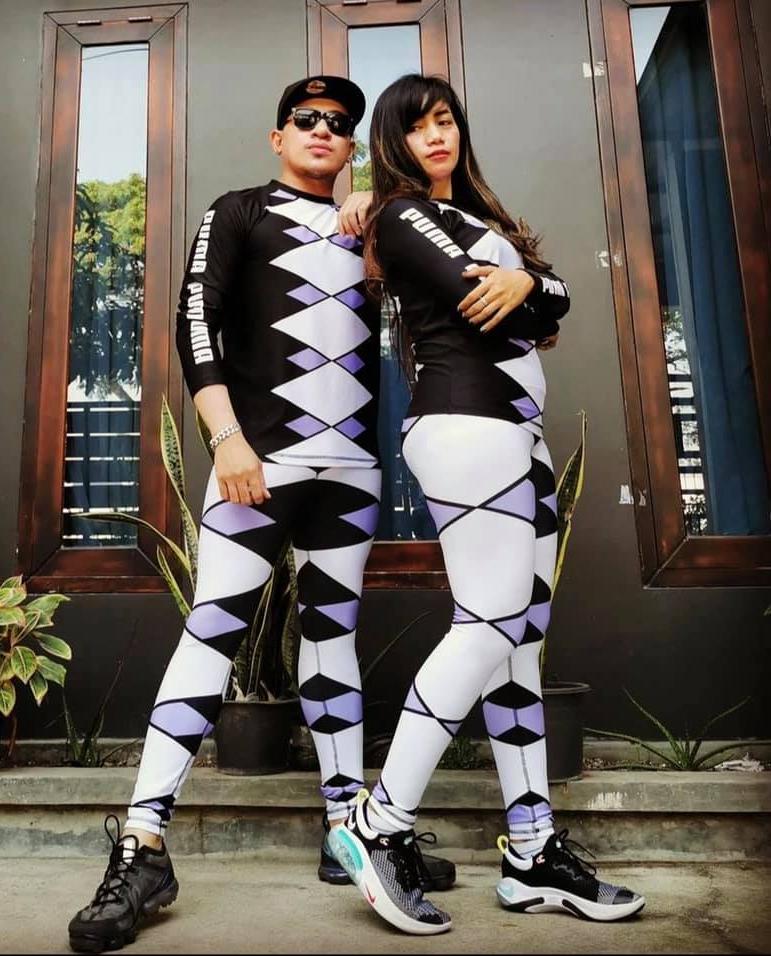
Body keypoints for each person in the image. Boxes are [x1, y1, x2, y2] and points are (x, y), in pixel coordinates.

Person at [67, 75, 453, 954]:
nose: (323, 130)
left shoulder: (374, 224)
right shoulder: (238, 210)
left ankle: (347, 833)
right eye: (305, 119)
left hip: (351, 474)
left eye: (340, 125)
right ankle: (142, 845)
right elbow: (194, 322)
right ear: (277, 136)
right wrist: (227, 439)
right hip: (257, 468)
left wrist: (385, 209)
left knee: (332, 638)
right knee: (213, 629)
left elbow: (440, 279)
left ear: (353, 147)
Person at [327, 73, 646, 935]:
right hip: (467, 429)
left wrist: (531, 290)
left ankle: (533, 850)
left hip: (516, 435)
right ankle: (378, 821)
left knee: (519, 642)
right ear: (393, 143)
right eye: (417, 126)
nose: (438, 135)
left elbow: (553, 303)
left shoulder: (477, 218)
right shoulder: (401, 215)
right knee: (490, 620)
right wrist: (530, 292)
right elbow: (489, 299)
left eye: (446, 120)